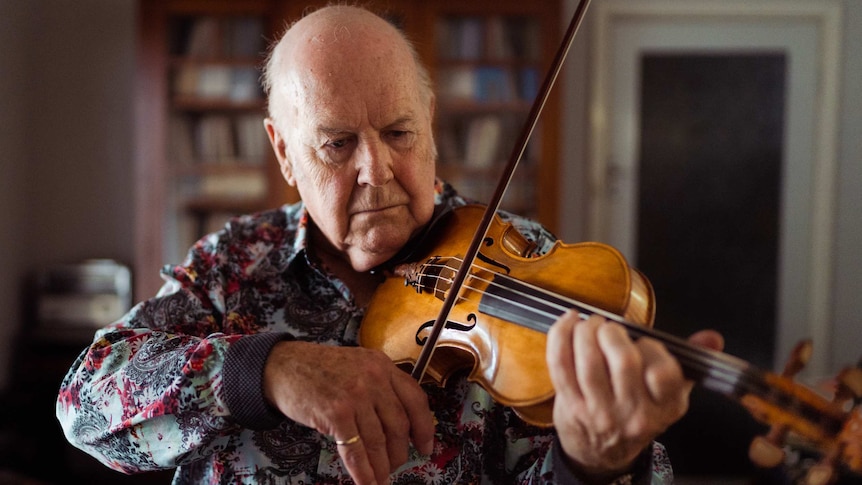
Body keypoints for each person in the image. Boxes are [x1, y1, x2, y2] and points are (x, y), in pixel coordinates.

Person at [57, 5, 723, 484]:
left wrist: (592, 462)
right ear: (284, 152)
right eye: (337, 144)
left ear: (430, 123)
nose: (376, 170)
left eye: (399, 133)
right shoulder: (235, 264)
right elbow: (82, 404)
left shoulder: (529, 265)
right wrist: (271, 369)